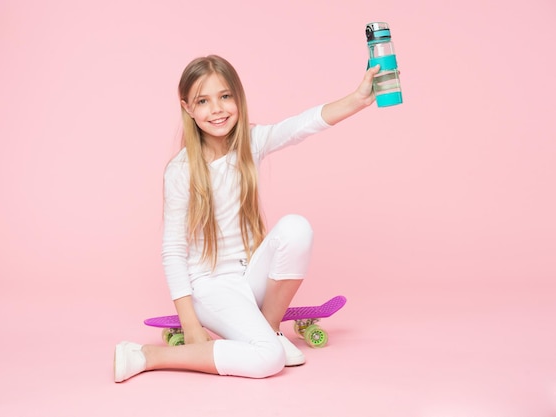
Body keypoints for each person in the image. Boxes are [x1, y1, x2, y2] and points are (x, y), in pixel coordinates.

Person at [114, 55, 380, 382]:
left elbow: (300, 126)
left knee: (296, 228)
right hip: (211, 288)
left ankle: (269, 329)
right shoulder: (180, 171)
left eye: (225, 96)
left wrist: (357, 100)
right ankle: (147, 355)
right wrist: (191, 326)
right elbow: (172, 251)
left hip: (248, 276)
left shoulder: (250, 144)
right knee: (267, 360)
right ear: (187, 108)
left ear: (238, 97)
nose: (217, 109)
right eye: (203, 101)